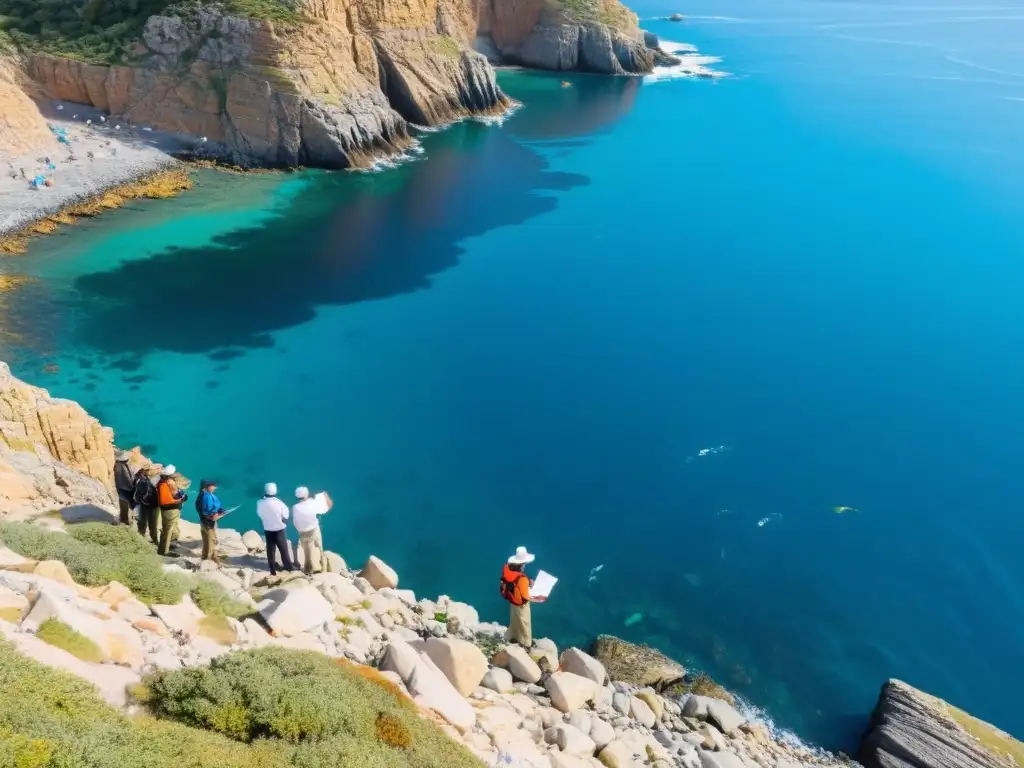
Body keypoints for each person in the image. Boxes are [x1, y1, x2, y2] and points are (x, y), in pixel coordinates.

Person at [500, 546, 546, 648]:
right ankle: (526, 645)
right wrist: (539, 599)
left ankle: (511, 636)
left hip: (513, 602)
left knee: (515, 622)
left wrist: (527, 584)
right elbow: (525, 596)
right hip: (521, 607)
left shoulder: (508, 570)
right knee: (525, 625)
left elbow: (514, 584)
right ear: (523, 564)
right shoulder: (522, 578)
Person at [291, 487, 333, 576]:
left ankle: (308, 572)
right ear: (307, 494)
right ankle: (323, 569)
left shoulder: (295, 507)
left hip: (302, 532)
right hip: (313, 530)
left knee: (307, 554)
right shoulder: (313, 504)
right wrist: (326, 495)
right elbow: (329, 506)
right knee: (319, 548)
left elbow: (295, 522)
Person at [257, 483, 295, 576]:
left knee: (270, 550)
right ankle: (288, 568)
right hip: (279, 530)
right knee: (283, 550)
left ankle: (272, 570)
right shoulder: (280, 504)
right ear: (275, 491)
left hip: (268, 529)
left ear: (265, 491)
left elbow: (260, 514)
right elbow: (286, 516)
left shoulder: (260, 502)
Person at [156, 465, 187, 557]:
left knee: (170, 530)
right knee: (168, 531)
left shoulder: (162, 483)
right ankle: (164, 551)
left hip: (169, 510)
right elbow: (166, 501)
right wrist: (180, 500)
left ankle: (165, 546)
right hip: (169, 510)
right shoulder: (164, 485)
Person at [196, 480, 228, 564]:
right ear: (207, 487)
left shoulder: (202, 495)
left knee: (206, 540)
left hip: (203, 521)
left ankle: (206, 556)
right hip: (208, 522)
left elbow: (200, 508)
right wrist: (216, 514)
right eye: (213, 486)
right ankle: (208, 560)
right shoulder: (207, 496)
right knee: (211, 540)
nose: (215, 487)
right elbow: (208, 510)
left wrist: (219, 510)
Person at [132, 462, 160, 545]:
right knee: (152, 524)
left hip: (144, 504)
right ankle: (154, 540)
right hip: (154, 506)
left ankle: (141, 538)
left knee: (143, 522)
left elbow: (136, 493)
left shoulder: (140, 479)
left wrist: (138, 501)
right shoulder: (157, 480)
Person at [113, 451, 135, 526]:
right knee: (126, 506)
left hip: (122, 489)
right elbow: (127, 479)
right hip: (124, 489)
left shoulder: (120, 465)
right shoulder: (121, 466)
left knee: (124, 506)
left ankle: (124, 520)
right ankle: (125, 521)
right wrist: (133, 487)